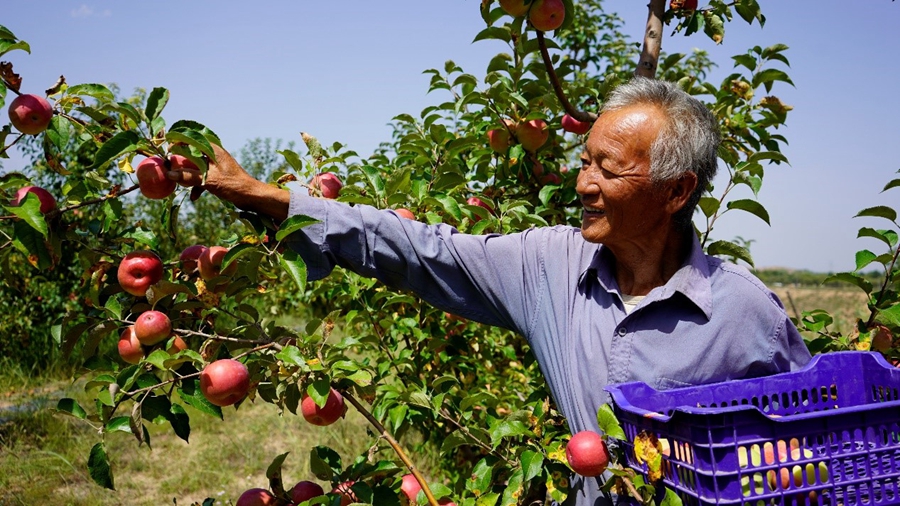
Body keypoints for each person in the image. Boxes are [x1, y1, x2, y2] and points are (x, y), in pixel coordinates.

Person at [168, 77, 812, 505]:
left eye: (608, 169)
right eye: (584, 160)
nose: (583, 183)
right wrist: (267, 198)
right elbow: (425, 251)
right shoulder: (552, 265)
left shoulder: (743, 310)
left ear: (676, 192)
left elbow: (814, 450)